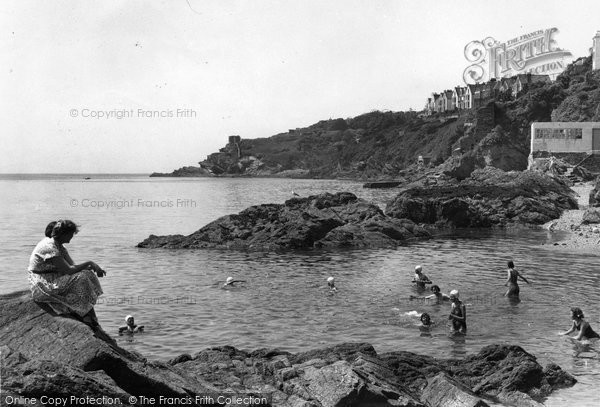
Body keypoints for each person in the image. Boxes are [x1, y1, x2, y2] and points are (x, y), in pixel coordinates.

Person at [28, 220, 106, 327]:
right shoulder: (49, 247)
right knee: (81, 278)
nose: (72, 237)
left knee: (87, 274)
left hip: (54, 277)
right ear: (63, 234)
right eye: (71, 234)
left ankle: (84, 310)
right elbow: (69, 270)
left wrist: (93, 268)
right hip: (43, 283)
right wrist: (90, 263)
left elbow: (73, 266)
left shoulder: (59, 246)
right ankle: (84, 313)